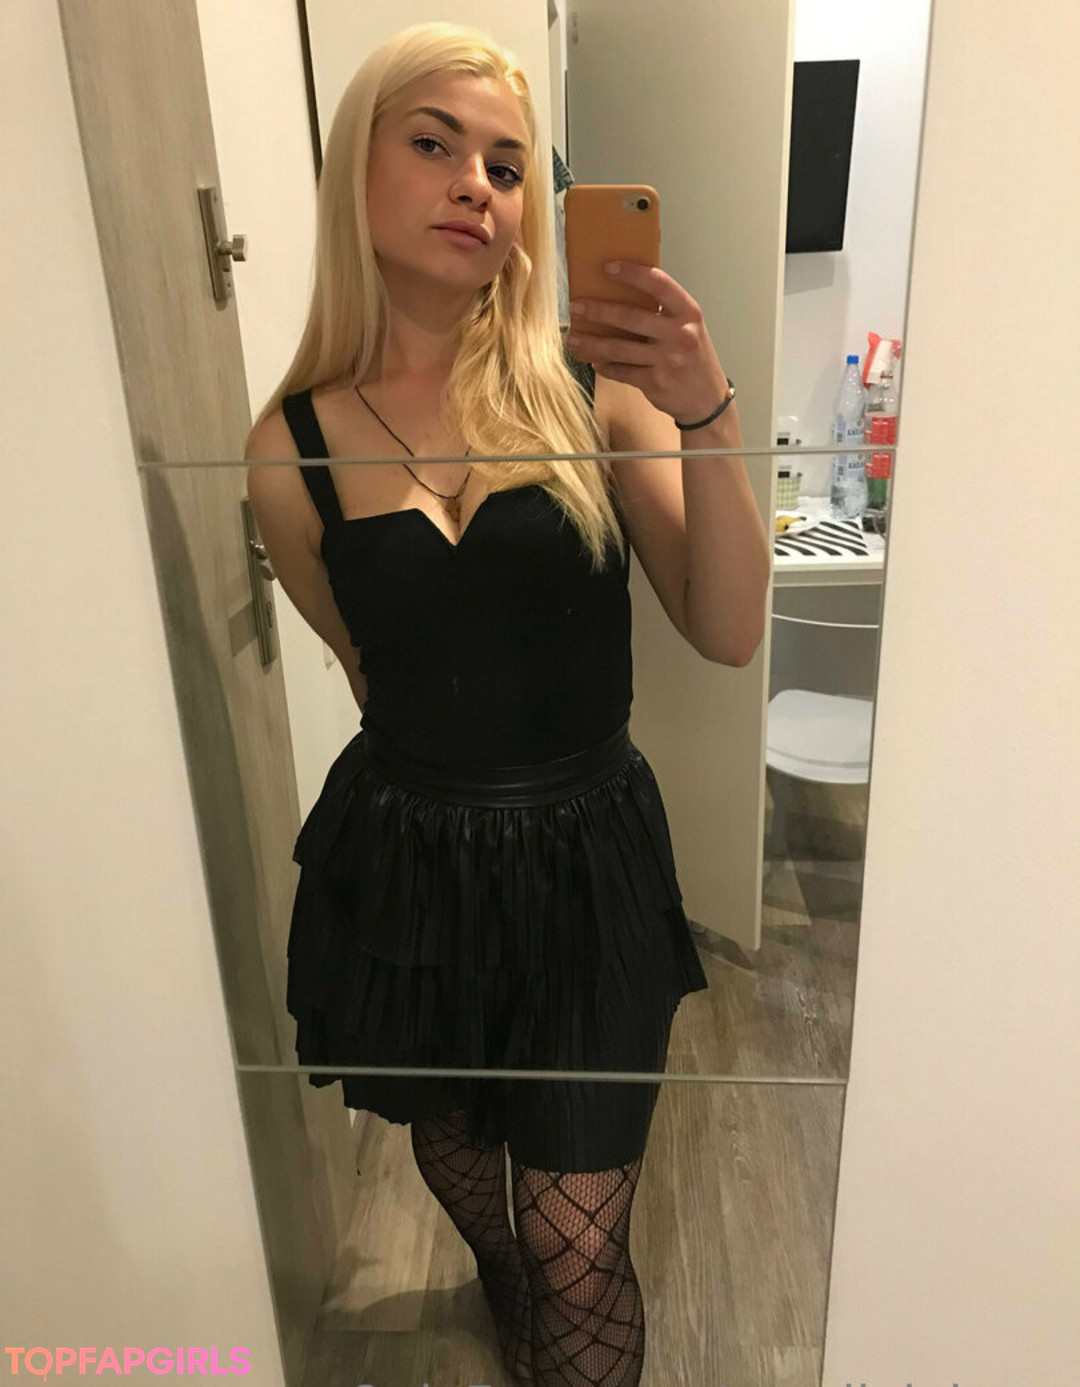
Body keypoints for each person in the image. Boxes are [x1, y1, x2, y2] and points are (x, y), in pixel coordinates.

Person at [245, 21, 770, 1386]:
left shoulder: (600, 394)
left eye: (508, 163)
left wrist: (708, 412)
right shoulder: (290, 446)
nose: (476, 183)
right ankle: (499, 1288)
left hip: (590, 860)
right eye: (434, 143)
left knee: (579, 1248)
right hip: (413, 862)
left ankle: (542, 1306)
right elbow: (368, 664)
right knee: (469, 1171)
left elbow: (726, 631)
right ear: (355, 169)